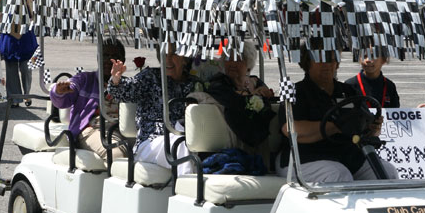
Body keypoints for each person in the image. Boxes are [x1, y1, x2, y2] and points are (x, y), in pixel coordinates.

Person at [276, 48, 398, 182]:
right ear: (307, 63)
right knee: (338, 174)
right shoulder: (295, 92)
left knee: (387, 172)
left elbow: (363, 126)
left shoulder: (348, 91)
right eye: (319, 59)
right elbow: (292, 130)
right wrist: (335, 126)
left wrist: (373, 129)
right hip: (303, 158)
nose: (326, 64)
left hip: (346, 156)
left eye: (330, 59)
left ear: (337, 63)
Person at [108, 44, 197, 174]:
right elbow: (124, 91)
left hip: (184, 136)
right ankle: (188, 189)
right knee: (182, 143)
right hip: (151, 142)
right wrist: (116, 80)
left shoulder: (194, 84)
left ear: (185, 58)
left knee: (190, 142)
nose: (168, 59)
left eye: (174, 54)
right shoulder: (151, 77)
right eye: (164, 54)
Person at [50, 38, 129, 160]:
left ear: (122, 61)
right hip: (92, 129)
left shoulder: (128, 84)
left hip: (122, 130)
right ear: (98, 58)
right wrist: (59, 91)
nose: (109, 60)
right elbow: (65, 98)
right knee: (116, 155)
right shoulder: (85, 79)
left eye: (114, 56)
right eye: (105, 55)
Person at [204, 43, 275, 148]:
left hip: (261, 138)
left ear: (248, 65)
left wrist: (267, 94)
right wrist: (253, 96)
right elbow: (233, 101)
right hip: (231, 142)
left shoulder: (255, 81)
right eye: (229, 59)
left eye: (238, 60)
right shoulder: (217, 83)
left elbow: (269, 99)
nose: (232, 64)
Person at [0, 21, 38, 107]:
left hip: (26, 33)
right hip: (9, 31)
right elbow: (0, 16)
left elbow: (33, 16)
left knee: (26, 69)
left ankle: (27, 94)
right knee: (11, 68)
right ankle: (14, 98)